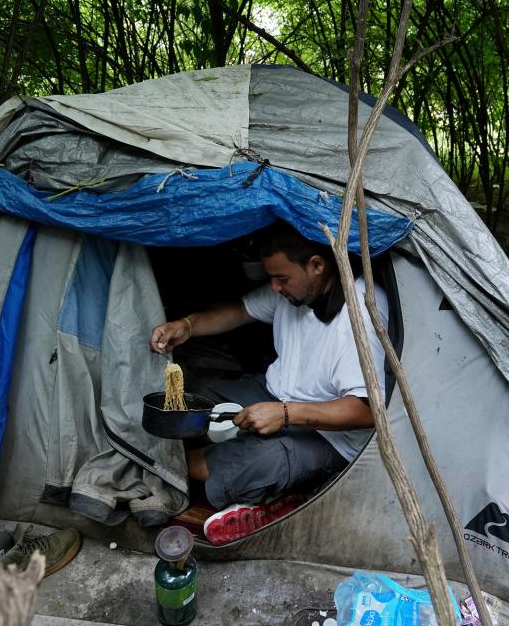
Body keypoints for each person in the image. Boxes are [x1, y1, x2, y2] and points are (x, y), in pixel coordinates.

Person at [150, 221, 388, 544]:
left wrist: (286, 414)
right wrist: (187, 326)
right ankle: (196, 464)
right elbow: (239, 310)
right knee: (195, 394)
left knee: (260, 461)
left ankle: (168, 465)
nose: (274, 287)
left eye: (281, 278)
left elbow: (366, 411)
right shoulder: (293, 290)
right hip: (274, 393)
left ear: (317, 265)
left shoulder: (361, 313)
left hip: (329, 437)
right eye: (272, 278)